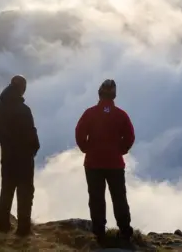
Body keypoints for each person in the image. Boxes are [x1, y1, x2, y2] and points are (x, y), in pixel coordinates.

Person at [74, 79, 135, 246]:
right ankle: (124, 231)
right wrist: (120, 150)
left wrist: (86, 148)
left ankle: (99, 232)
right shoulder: (121, 115)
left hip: (93, 163)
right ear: (114, 95)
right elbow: (130, 136)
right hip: (115, 163)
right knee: (119, 197)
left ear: (99, 93)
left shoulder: (90, 113)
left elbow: (79, 133)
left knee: (96, 198)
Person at [0, 75, 40, 236]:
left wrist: (6, 142)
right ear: (22, 88)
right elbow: (31, 134)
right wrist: (33, 149)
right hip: (24, 158)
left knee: (7, 190)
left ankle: (3, 225)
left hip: (8, 156)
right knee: (25, 193)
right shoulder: (24, 110)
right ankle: (23, 229)